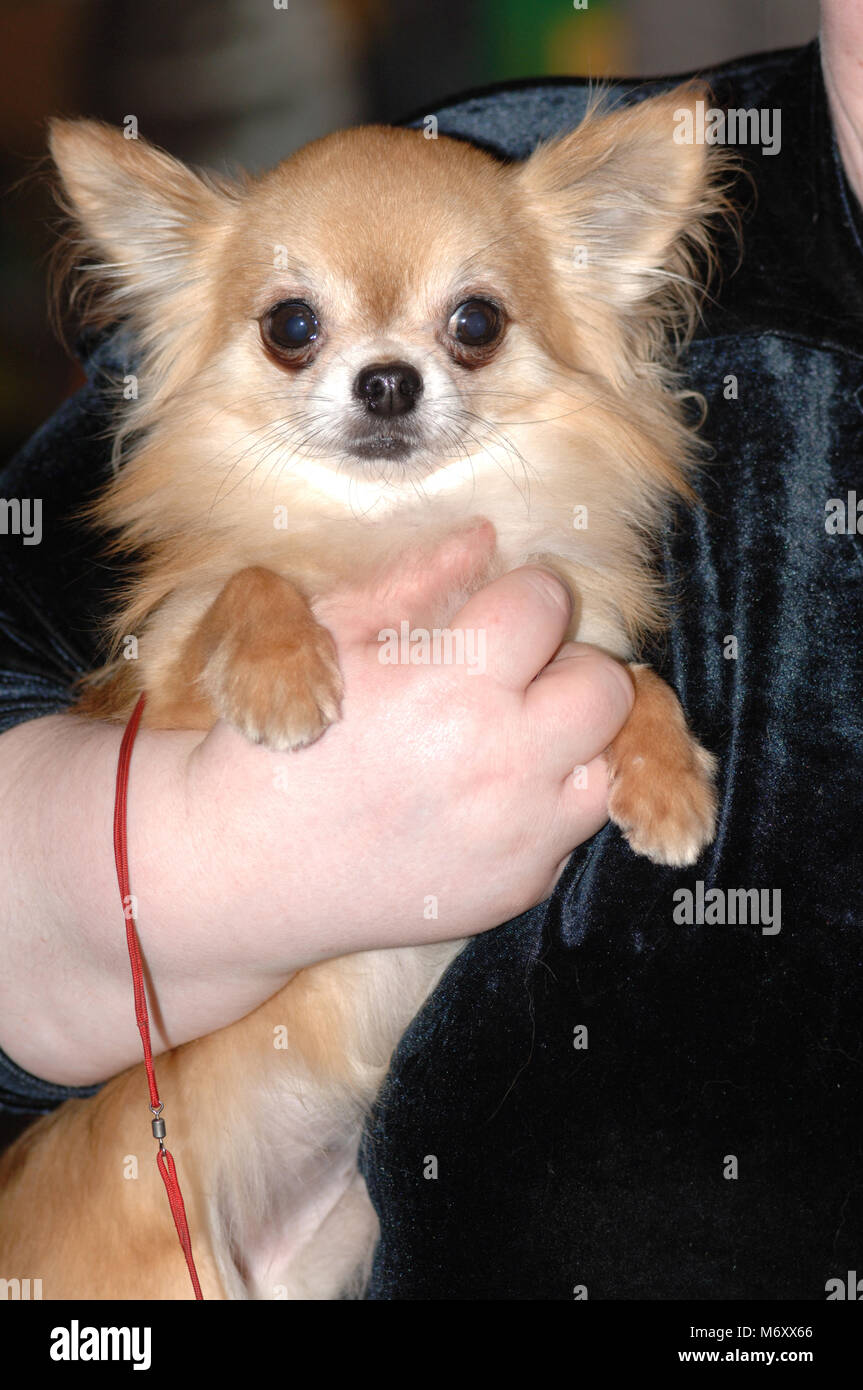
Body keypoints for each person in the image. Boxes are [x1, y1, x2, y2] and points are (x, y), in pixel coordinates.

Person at [1, 10, 861, 1299]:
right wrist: (196, 841)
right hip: (146, 1242)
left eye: (470, 326)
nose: (385, 376)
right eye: (299, 330)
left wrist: (633, 716)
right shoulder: (476, 149)